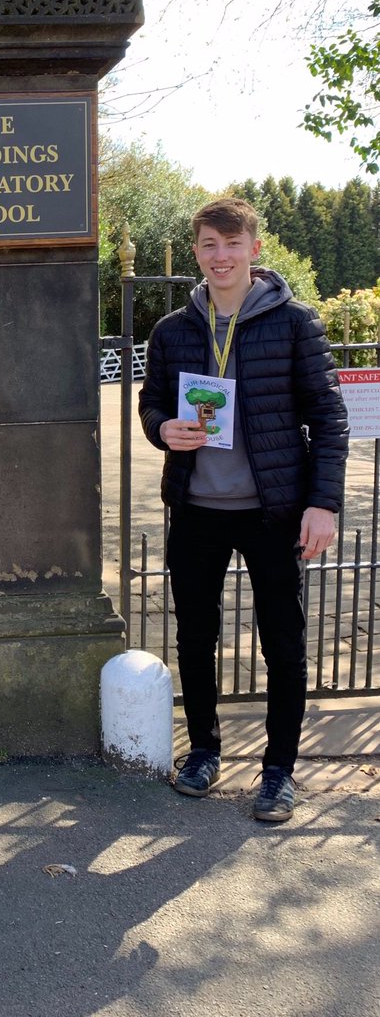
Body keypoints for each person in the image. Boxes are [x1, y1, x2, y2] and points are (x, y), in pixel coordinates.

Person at [138, 197, 348, 822]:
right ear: (197, 252)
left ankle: (279, 770)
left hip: (274, 511)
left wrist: (323, 504)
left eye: (231, 244)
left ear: (255, 250)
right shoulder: (173, 330)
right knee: (195, 636)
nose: (220, 256)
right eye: (208, 244)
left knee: (282, 642)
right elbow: (151, 403)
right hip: (197, 508)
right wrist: (161, 429)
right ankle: (203, 750)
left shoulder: (295, 324)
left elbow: (328, 418)